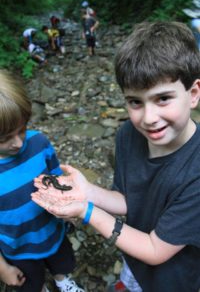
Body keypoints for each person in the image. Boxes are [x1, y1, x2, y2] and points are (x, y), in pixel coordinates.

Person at [32, 21, 200, 292]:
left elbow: (155, 249)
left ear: (193, 94)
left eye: (163, 99)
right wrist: (87, 192)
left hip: (173, 278)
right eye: (135, 101)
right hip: (133, 258)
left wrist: (87, 211)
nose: (149, 118)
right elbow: (128, 200)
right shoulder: (128, 135)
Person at [0, 70, 84, 292]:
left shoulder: (39, 143)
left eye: (22, 130)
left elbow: (56, 178)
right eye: (4, 138)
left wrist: (68, 206)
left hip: (52, 229)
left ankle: (62, 280)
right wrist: (2, 268)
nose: (18, 143)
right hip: (18, 246)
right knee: (30, 280)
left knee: (62, 260)